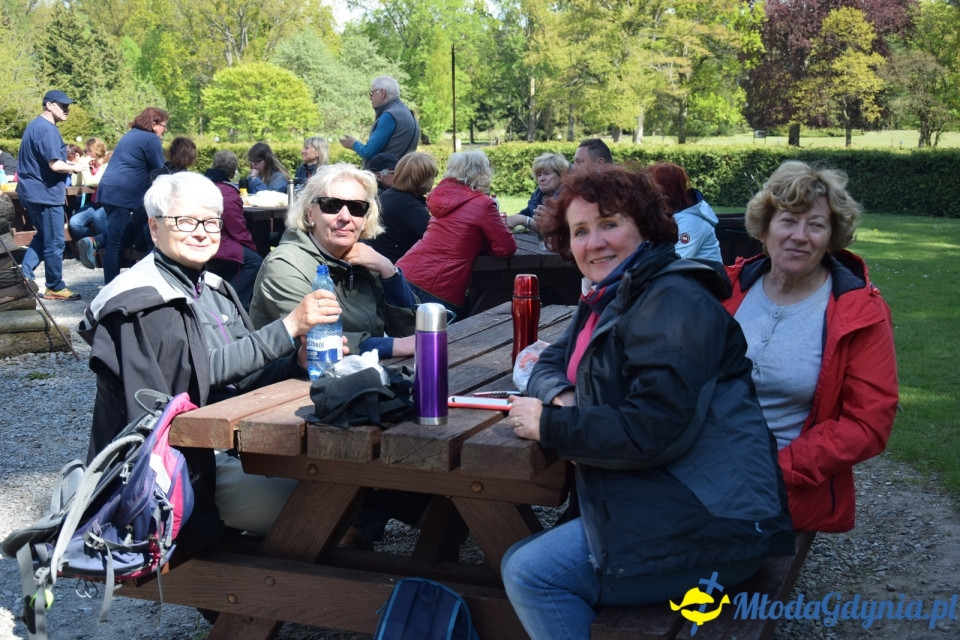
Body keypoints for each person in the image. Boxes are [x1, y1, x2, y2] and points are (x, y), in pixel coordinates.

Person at [500, 165, 794, 639]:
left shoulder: (674, 299)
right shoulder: (612, 294)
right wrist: (562, 395)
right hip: (661, 490)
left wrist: (553, 425)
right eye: (580, 231)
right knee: (517, 557)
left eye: (609, 224)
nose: (594, 242)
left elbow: (655, 428)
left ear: (644, 228)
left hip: (719, 522)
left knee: (532, 573)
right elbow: (548, 360)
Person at [79, 171, 344, 549]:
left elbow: (245, 376)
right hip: (178, 470)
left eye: (210, 222)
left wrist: (296, 361)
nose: (201, 232)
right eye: (185, 221)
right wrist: (286, 327)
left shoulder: (212, 287)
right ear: (154, 229)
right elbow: (187, 387)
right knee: (324, 509)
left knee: (349, 485)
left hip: (228, 442)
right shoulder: (141, 302)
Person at [723, 160, 898, 533]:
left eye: (815, 225)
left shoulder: (861, 313)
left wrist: (777, 468)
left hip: (782, 488)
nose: (799, 236)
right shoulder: (725, 289)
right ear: (765, 228)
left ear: (831, 236)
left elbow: (868, 423)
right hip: (698, 465)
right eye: (788, 220)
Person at [249, 163, 419, 358]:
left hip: (359, 375)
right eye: (332, 205)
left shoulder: (367, 261)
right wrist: (395, 347)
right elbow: (317, 342)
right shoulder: (284, 265)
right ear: (309, 212)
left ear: (366, 218)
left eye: (357, 207)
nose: (345, 217)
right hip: (294, 383)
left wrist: (389, 271)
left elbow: (410, 332)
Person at [396, 149, 517, 320]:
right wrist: (481, 245)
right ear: (482, 172)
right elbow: (506, 248)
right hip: (440, 288)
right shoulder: (483, 204)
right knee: (437, 342)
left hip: (405, 272)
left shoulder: (439, 197)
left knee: (404, 338)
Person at [16, 90, 91, 300]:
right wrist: (77, 167)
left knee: (43, 236)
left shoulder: (35, 126)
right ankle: (55, 287)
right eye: (62, 105)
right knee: (55, 241)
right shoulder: (47, 130)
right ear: (49, 105)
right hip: (45, 194)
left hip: (33, 192)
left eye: (68, 105)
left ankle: (24, 275)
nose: (67, 109)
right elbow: (55, 164)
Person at [95, 106, 168, 284]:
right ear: (154, 124)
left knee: (123, 234)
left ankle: (96, 242)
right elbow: (160, 171)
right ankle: (111, 287)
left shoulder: (131, 134)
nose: (165, 130)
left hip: (108, 189)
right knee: (116, 243)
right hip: (122, 193)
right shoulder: (151, 138)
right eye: (164, 126)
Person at [204, 150, 263, 309]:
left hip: (205, 238)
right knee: (256, 262)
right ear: (232, 171)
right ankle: (232, 303)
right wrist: (252, 247)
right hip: (219, 243)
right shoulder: (227, 192)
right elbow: (236, 229)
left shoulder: (203, 185)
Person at [363, 151, 438, 263]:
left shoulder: (391, 194)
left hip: (377, 259)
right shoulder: (408, 205)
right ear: (426, 180)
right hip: (392, 267)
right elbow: (436, 237)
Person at [647, 162, 722, 263]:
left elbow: (675, 262)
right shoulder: (668, 216)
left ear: (666, 191)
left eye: (651, 188)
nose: (647, 193)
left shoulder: (690, 221)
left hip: (701, 277)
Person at [339, 76, 420, 169]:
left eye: (371, 93)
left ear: (382, 93)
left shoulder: (390, 115)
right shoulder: (407, 112)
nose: (370, 98)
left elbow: (368, 152)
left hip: (384, 178)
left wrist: (354, 144)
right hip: (400, 175)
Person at [505, 152, 569, 232]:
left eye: (547, 173)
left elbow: (559, 229)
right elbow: (528, 212)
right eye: (539, 175)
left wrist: (525, 220)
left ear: (561, 176)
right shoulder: (538, 195)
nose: (541, 179)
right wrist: (509, 220)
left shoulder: (569, 197)